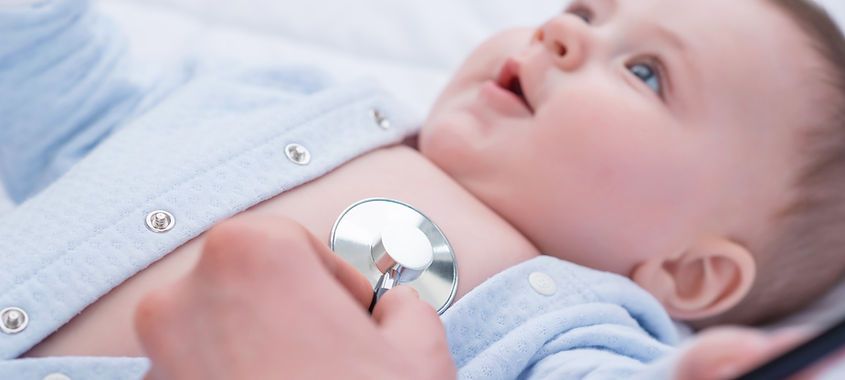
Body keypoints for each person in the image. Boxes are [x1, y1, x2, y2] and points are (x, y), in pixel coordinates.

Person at [1, 0, 844, 378]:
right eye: (586, 11)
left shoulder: (568, 332)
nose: (558, 32)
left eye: (645, 72)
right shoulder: (282, 99)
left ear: (688, 275)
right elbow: (75, 101)